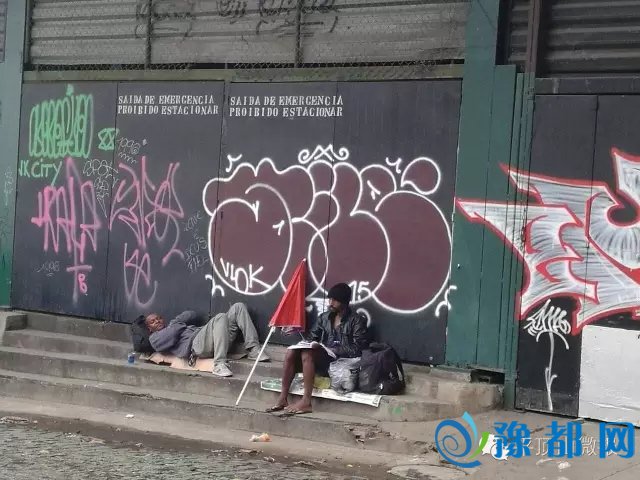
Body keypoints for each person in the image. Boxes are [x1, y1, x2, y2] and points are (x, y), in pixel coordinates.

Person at [266, 282, 369, 415]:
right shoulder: (324, 318)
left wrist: (334, 350)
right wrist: (311, 344)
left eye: (335, 300)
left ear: (344, 302)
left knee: (307, 354)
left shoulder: (356, 320)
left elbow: (358, 348)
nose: (330, 303)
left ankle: (306, 402)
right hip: (323, 359)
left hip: (340, 362)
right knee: (291, 352)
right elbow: (311, 338)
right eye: (330, 299)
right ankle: (283, 398)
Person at [144, 303, 269, 377]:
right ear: (149, 328)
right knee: (220, 317)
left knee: (238, 307)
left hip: (215, 338)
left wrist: (176, 321)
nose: (157, 321)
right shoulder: (154, 338)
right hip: (197, 346)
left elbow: (191, 314)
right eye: (153, 322)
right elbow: (170, 335)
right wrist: (177, 324)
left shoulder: (174, 324)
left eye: (159, 318)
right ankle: (219, 364)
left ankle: (253, 349)